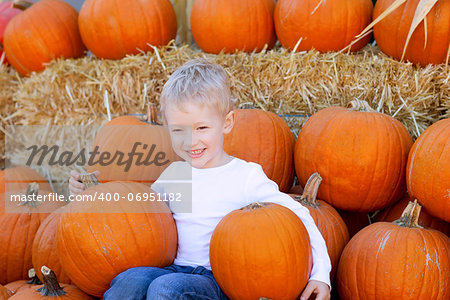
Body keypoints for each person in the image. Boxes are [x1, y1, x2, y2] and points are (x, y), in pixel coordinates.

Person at [69, 59, 331, 300]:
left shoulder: (246, 175)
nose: (190, 141)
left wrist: (321, 275)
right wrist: (87, 196)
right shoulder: (174, 175)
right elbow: (134, 214)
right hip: (174, 268)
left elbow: (301, 217)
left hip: (219, 280)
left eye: (202, 128)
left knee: (166, 289)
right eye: (179, 130)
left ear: (227, 123)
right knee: (129, 281)